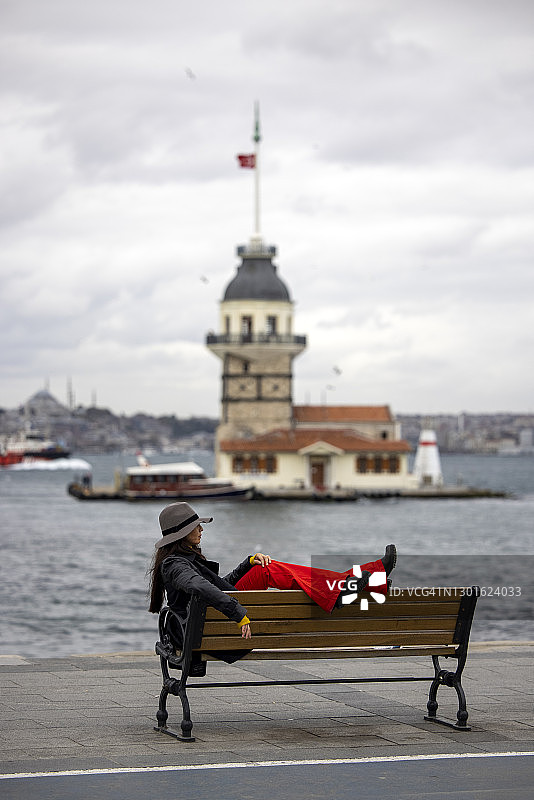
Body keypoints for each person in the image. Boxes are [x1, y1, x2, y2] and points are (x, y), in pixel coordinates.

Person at [148, 502, 397, 643]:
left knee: (265, 567)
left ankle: (364, 580)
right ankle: (361, 581)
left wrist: (247, 564)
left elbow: (217, 586)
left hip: (211, 621)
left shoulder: (181, 560)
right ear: (182, 533)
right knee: (273, 570)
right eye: (196, 526)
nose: (201, 529)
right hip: (213, 626)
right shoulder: (175, 565)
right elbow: (200, 586)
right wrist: (238, 613)